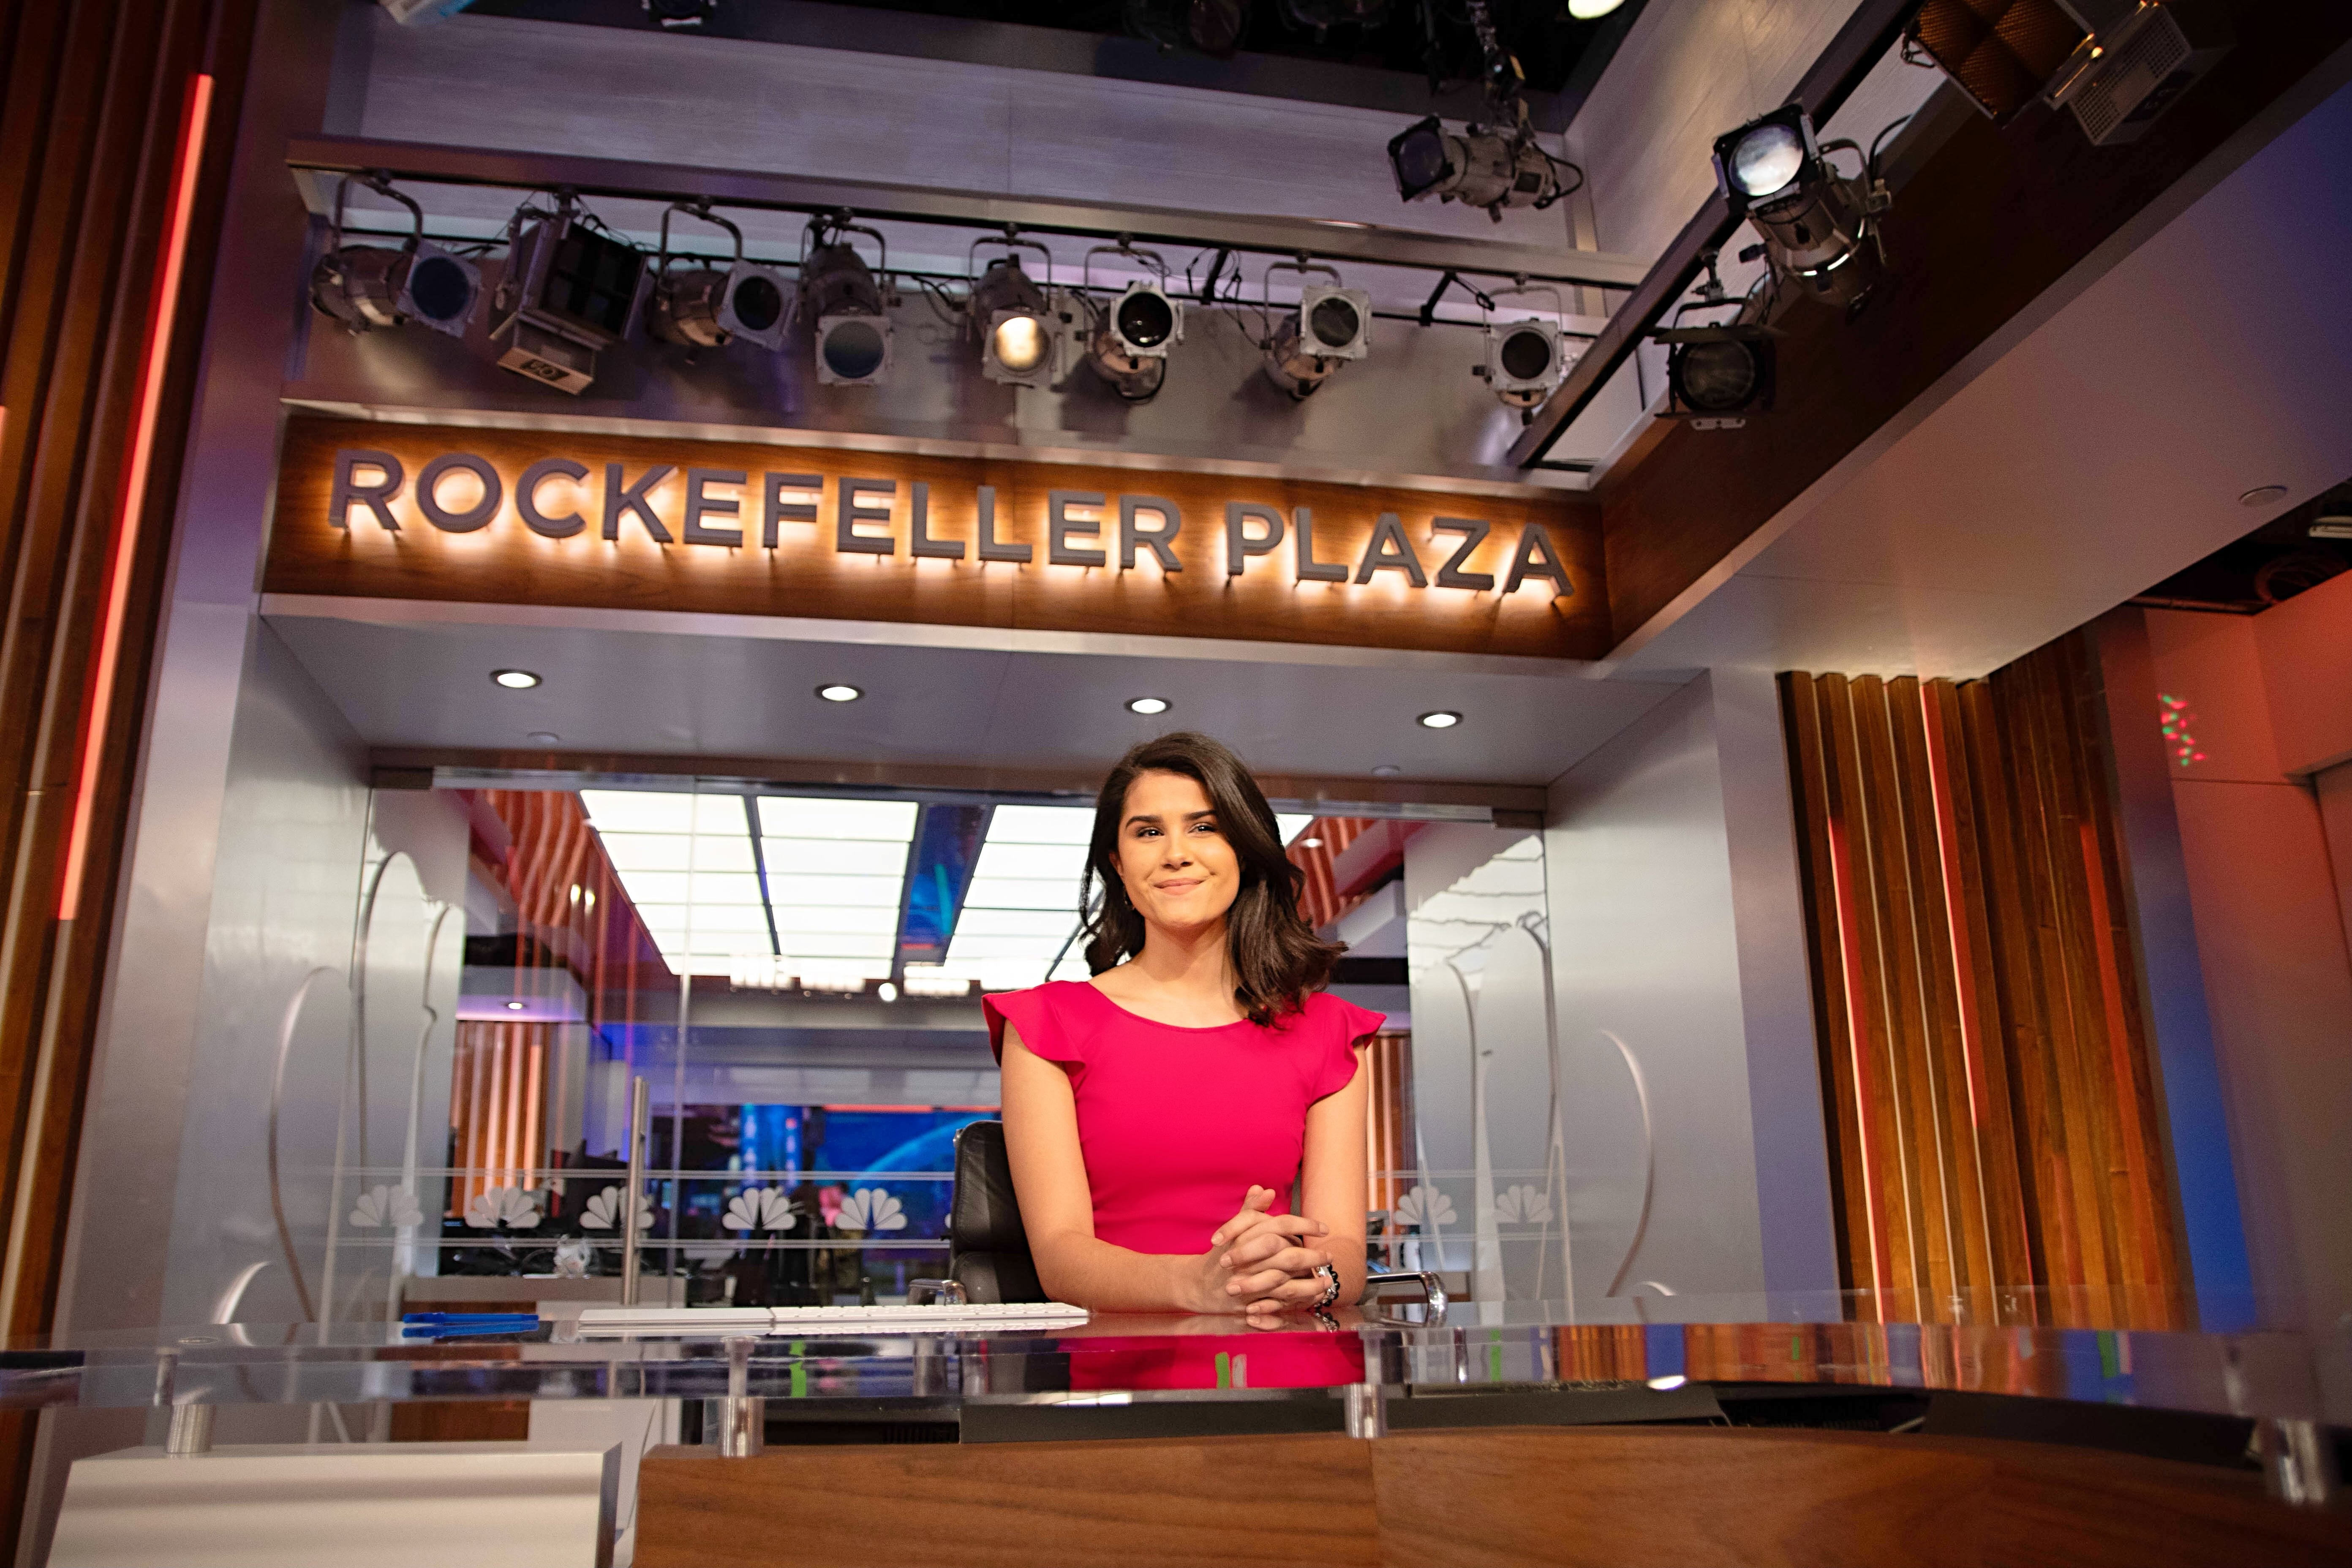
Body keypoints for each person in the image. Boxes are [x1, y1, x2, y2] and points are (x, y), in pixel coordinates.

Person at [986, 731, 1382, 1320]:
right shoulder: (1046, 1024)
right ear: (1118, 865)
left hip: (1280, 1368)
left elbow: (1343, 1249)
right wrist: (1196, 1282)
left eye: (1204, 827)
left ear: (1244, 851)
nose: (1176, 852)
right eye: (1148, 831)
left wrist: (1314, 1279)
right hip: (1114, 1383)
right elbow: (1060, 1258)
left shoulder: (1331, 1032)